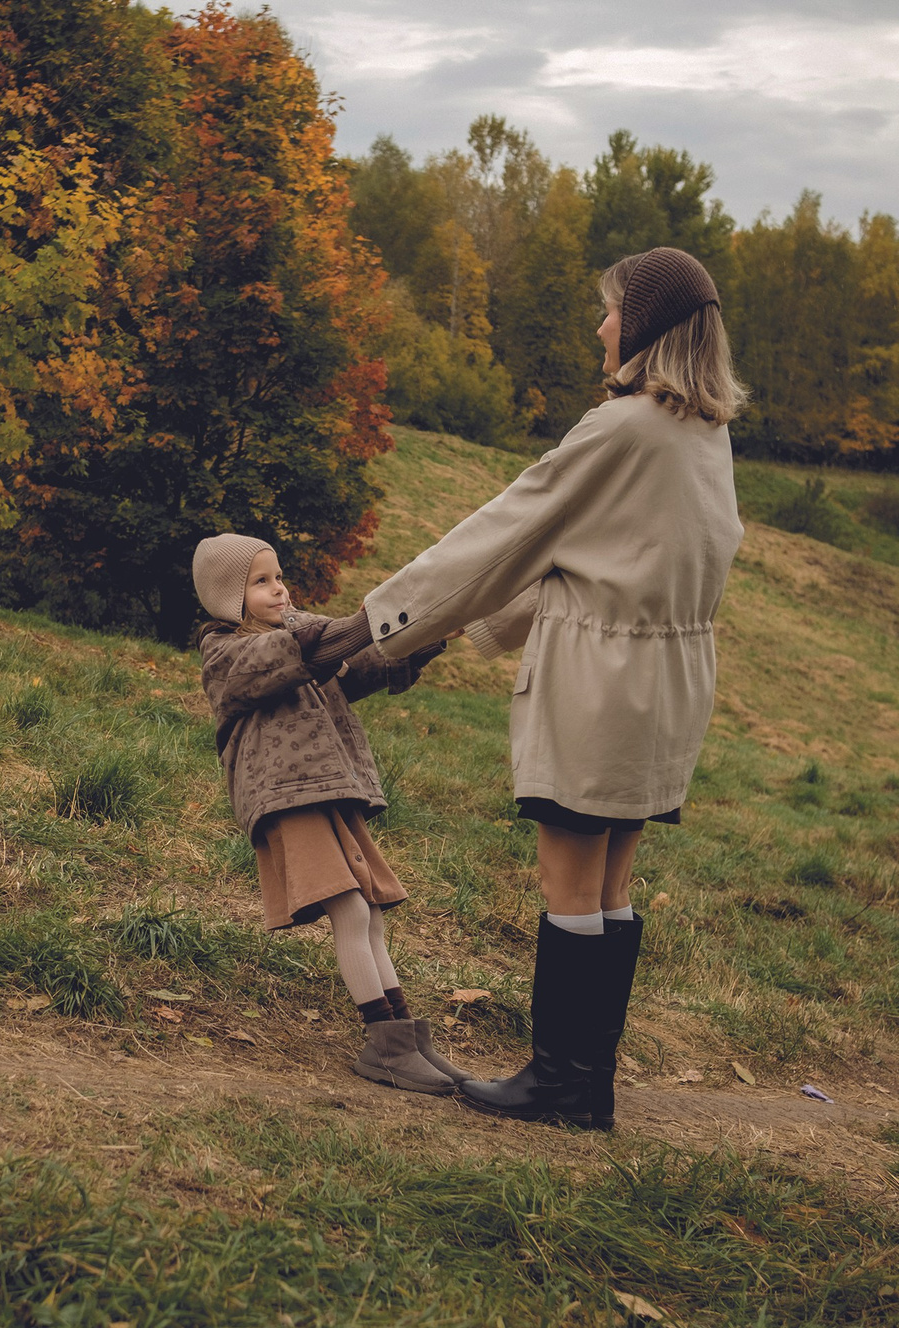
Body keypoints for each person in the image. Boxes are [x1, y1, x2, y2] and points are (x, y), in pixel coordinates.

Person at [338, 247, 746, 1129]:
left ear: (646, 329)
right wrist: (459, 636)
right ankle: (585, 1083)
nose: (601, 327)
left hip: (601, 681)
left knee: (568, 876)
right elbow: (595, 563)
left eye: (610, 312)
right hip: (669, 684)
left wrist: (374, 624)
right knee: (611, 885)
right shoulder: (702, 433)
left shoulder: (623, 428)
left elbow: (503, 538)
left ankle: (559, 1083)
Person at [194, 533, 461, 1095]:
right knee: (351, 912)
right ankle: (383, 1044)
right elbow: (310, 653)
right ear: (226, 597)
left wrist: (428, 633)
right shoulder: (226, 653)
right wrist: (373, 617)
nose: (279, 588)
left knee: (371, 912)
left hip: (328, 787)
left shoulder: (299, 631)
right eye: (260, 581)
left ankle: (408, 1040)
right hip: (285, 793)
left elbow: (362, 665)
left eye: (278, 576)